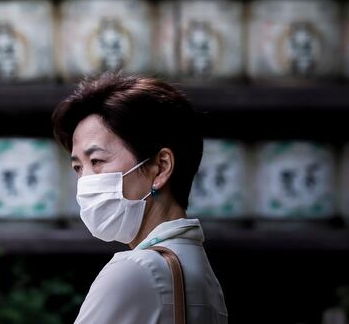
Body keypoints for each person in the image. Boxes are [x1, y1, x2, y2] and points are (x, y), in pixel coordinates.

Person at [52, 72, 228, 324]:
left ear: (161, 167)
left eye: (97, 161)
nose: (86, 181)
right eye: (78, 168)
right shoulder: (200, 272)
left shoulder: (135, 271)